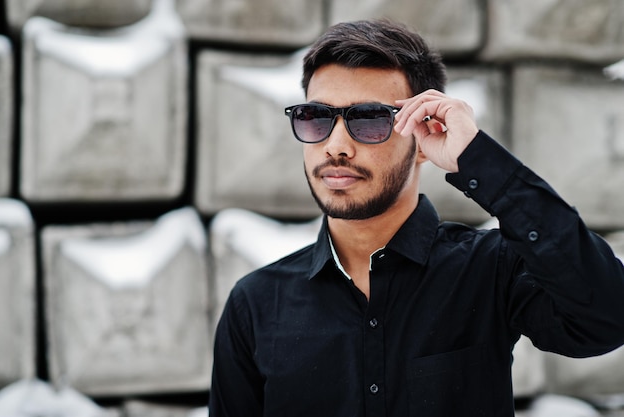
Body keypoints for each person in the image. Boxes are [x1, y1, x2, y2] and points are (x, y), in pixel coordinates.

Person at [208, 19, 624, 417]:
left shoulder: (490, 269)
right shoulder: (257, 304)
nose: (336, 146)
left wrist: (477, 158)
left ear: (424, 141)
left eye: (368, 120)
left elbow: (607, 317)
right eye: (316, 118)